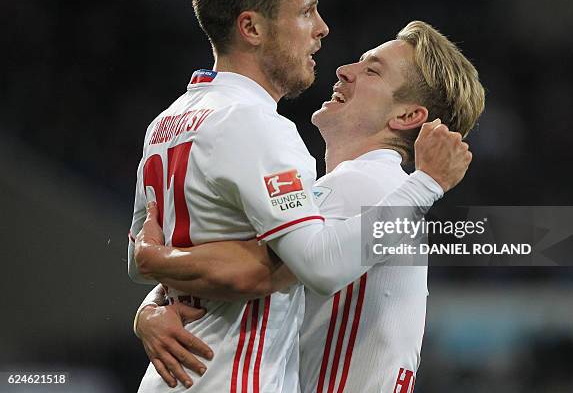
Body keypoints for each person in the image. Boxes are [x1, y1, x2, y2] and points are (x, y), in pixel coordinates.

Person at [132, 20, 485, 392]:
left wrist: (154, 261)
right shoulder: (366, 192)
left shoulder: (366, 185)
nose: (344, 71)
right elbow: (255, 262)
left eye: (372, 71)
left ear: (406, 116)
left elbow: (249, 270)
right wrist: (151, 307)